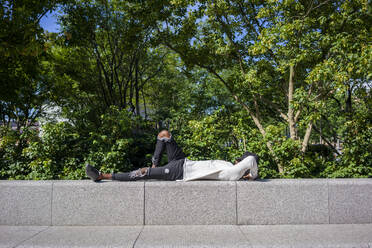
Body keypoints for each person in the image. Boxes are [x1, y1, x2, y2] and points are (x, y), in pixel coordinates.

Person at [85, 130, 259, 182]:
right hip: (182, 161)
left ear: (243, 166)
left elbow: (252, 160)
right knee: (164, 134)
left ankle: (102, 175)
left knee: (143, 172)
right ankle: (155, 164)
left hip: (180, 172)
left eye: (240, 160)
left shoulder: (234, 174)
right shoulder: (229, 165)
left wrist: (252, 176)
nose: (237, 160)